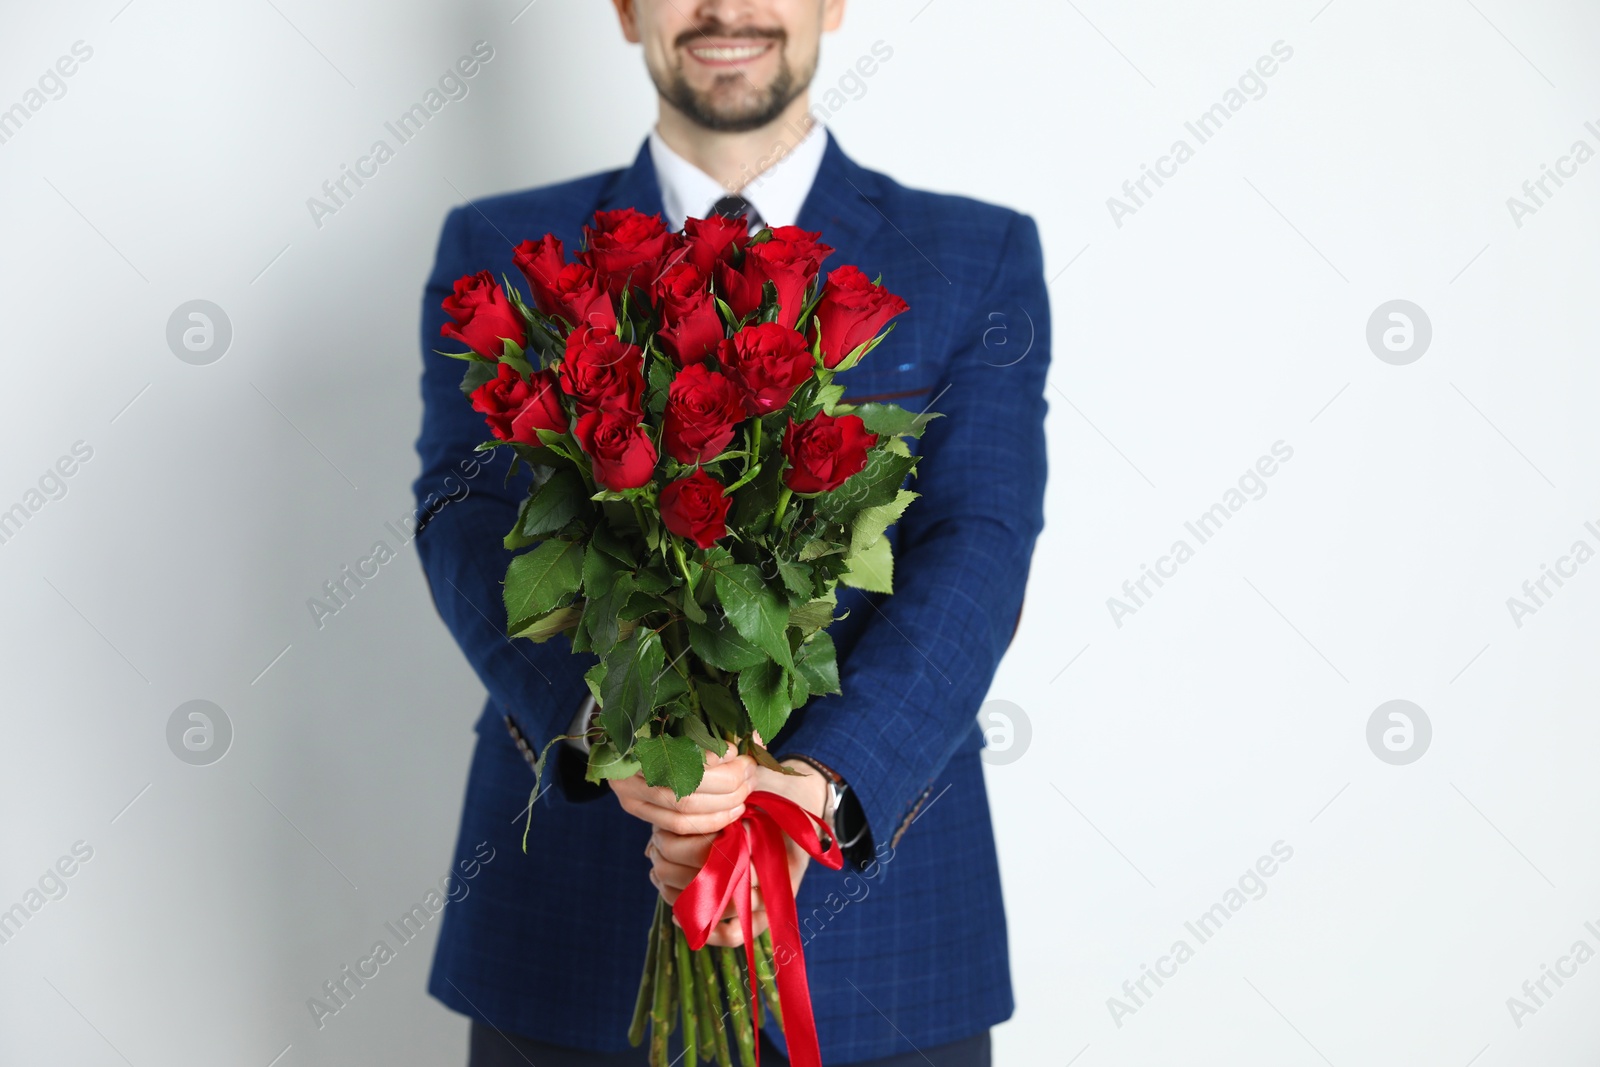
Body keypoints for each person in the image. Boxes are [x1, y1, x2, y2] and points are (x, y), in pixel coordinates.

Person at [411, 2, 1051, 1063]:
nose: (727, 6)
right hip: (571, 928)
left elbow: (978, 541)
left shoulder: (975, 255)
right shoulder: (500, 254)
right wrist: (609, 729)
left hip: (883, 936)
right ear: (625, 11)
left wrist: (813, 791)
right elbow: (459, 516)